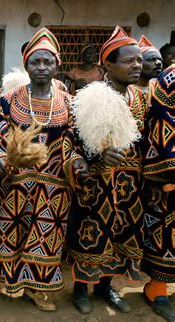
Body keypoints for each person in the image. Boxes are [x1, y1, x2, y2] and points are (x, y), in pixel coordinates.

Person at [0, 28, 83, 312]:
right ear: (26, 65)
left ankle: (36, 289)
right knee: (6, 233)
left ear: (57, 64)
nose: (41, 67)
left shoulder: (68, 102)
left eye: (47, 62)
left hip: (53, 188)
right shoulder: (9, 99)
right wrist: (1, 159)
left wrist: (75, 162)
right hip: (13, 184)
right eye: (35, 62)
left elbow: (73, 140)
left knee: (44, 237)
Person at [68, 26, 146, 314]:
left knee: (121, 236)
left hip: (130, 187)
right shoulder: (90, 98)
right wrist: (96, 155)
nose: (136, 65)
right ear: (108, 66)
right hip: (95, 186)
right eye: (128, 61)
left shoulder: (141, 100)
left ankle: (105, 288)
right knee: (90, 237)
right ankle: (80, 289)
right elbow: (73, 140)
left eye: (138, 60)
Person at [142, 64, 175, 321]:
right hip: (170, 170)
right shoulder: (170, 77)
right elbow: (161, 122)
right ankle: (157, 288)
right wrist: (162, 174)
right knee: (167, 231)